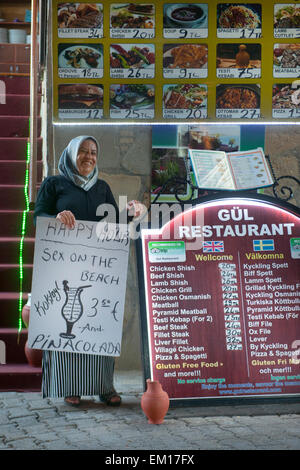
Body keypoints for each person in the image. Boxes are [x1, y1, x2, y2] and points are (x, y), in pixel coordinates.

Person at [34, 135, 143, 406]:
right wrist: (56, 218)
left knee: (99, 324)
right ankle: (71, 387)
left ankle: (105, 387)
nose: (89, 157)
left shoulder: (101, 187)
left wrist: (130, 212)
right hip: (62, 268)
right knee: (66, 325)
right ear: (71, 154)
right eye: (83, 151)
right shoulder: (54, 184)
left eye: (93, 152)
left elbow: (112, 224)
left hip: (97, 271)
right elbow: (39, 216)